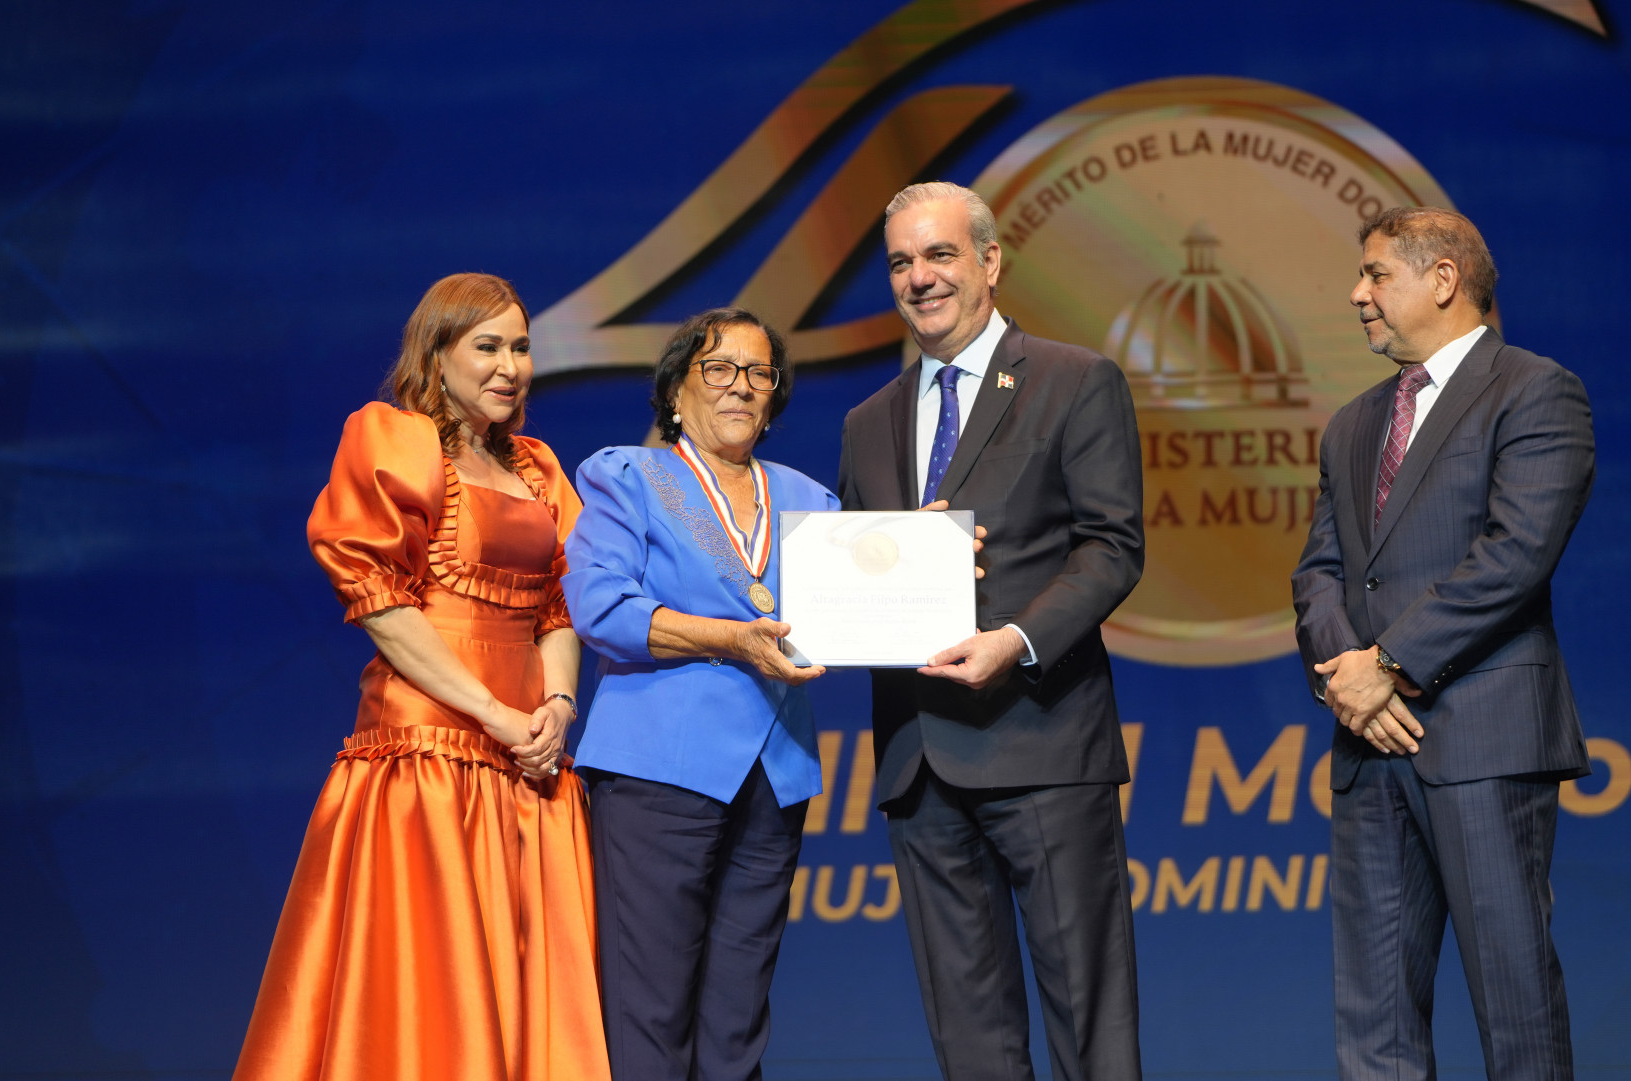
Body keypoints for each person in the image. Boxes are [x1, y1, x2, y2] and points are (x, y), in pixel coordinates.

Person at [234, 273, 609, 1081]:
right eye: (487, 347)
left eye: (520, 347)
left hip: (528, 766)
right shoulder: (395, 440)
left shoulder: (539, 468)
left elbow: (562, 605)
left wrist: (557, 704)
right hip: (429, 758)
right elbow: (380, 602)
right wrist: (493, 714)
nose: (510, 366)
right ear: (436, 357)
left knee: (524, 997)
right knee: (428, 993)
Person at [836, 181, 1146, 1081]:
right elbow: (856, 570)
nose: (920, 277)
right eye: (901, 262)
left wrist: (1016, 637)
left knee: (1089, 1021)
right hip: (919, 763)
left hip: (1040, 738)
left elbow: (1113, 546)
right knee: (968, 1038)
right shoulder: (866, 423)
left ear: (990, 261)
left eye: (940, 254)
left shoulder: (1074, 379)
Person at [1291, 206, 1595, 1081]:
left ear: (1444, 279)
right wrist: (1351, 680)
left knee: (1515, 1006)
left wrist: (1389, 666)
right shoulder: (1353, 424)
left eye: (1376, 274)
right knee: (1375, 1022)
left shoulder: (1534, 390)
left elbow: (1515, 554)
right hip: (1368, 744)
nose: (1357, 294)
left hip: (1482, 739)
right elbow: (1319, 573)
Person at [561, 307, 834, 1081]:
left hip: (774, 775)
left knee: (738, 1018)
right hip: (658, 771)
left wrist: (933, 557)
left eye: (758, 372)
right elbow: (600, 608)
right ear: (677, 391)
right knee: (650, 1009)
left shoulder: (811, 499)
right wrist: (730, 638)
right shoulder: (630, 478)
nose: (740, 385)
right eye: (718, 368)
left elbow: (859, 598)